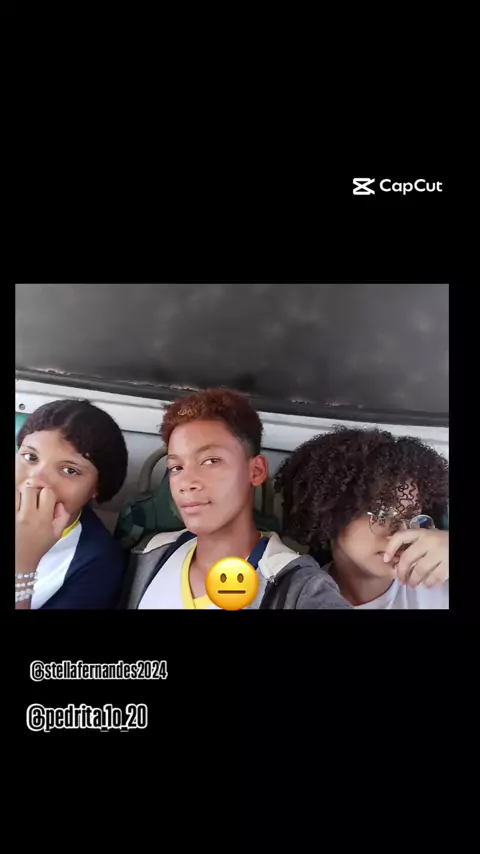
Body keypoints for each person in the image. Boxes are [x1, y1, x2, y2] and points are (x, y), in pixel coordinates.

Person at [122, 388, 351, 609]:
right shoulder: (152, 554)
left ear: (256, 471)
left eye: (211, 461)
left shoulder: (295, 587)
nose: (187, 482)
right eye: (176, 467)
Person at [274, 427, 449, 609]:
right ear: (332, 512)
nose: (402, 533)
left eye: (411, 516)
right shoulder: (297, 598)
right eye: (382, 513)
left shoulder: (439, 580)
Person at [15, 399, 128, 609]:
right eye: (30, 457)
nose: (36, 479)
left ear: (96, 488)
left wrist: (24, 562)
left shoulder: (97, 563)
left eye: (70, 470)